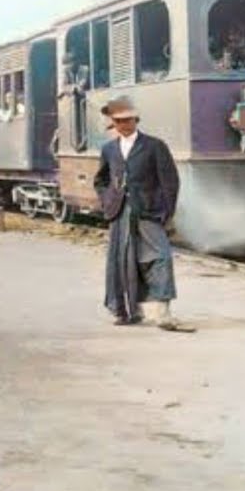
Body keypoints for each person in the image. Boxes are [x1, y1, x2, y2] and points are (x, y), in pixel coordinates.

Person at [94, 96, 193, 332]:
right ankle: (128, 311)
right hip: (120, 213)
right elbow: (101, 180)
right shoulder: (109, 149)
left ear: (136, 120)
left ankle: (163, 314)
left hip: (148, 211)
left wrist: (165, 211)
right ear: (113, 124)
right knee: (122, 261)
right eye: (119, 121)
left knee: (160, 257)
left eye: (128, 120)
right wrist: (109, 200)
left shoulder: (154, 146)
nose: (124, 125)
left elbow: (170, 181)